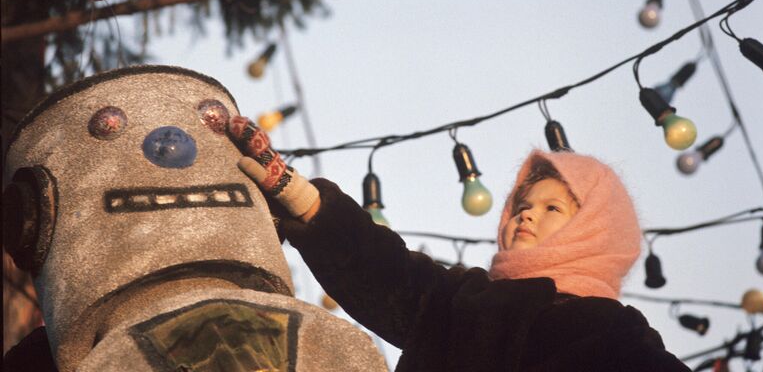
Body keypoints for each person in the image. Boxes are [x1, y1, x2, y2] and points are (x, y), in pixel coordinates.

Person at [229, 115, 692, 372]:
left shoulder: (613, 335)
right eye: (523, 204)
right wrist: (306, 201)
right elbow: (385, 272)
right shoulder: (463, 300)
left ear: (594, 231)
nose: (527, 212)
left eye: (554, 209)